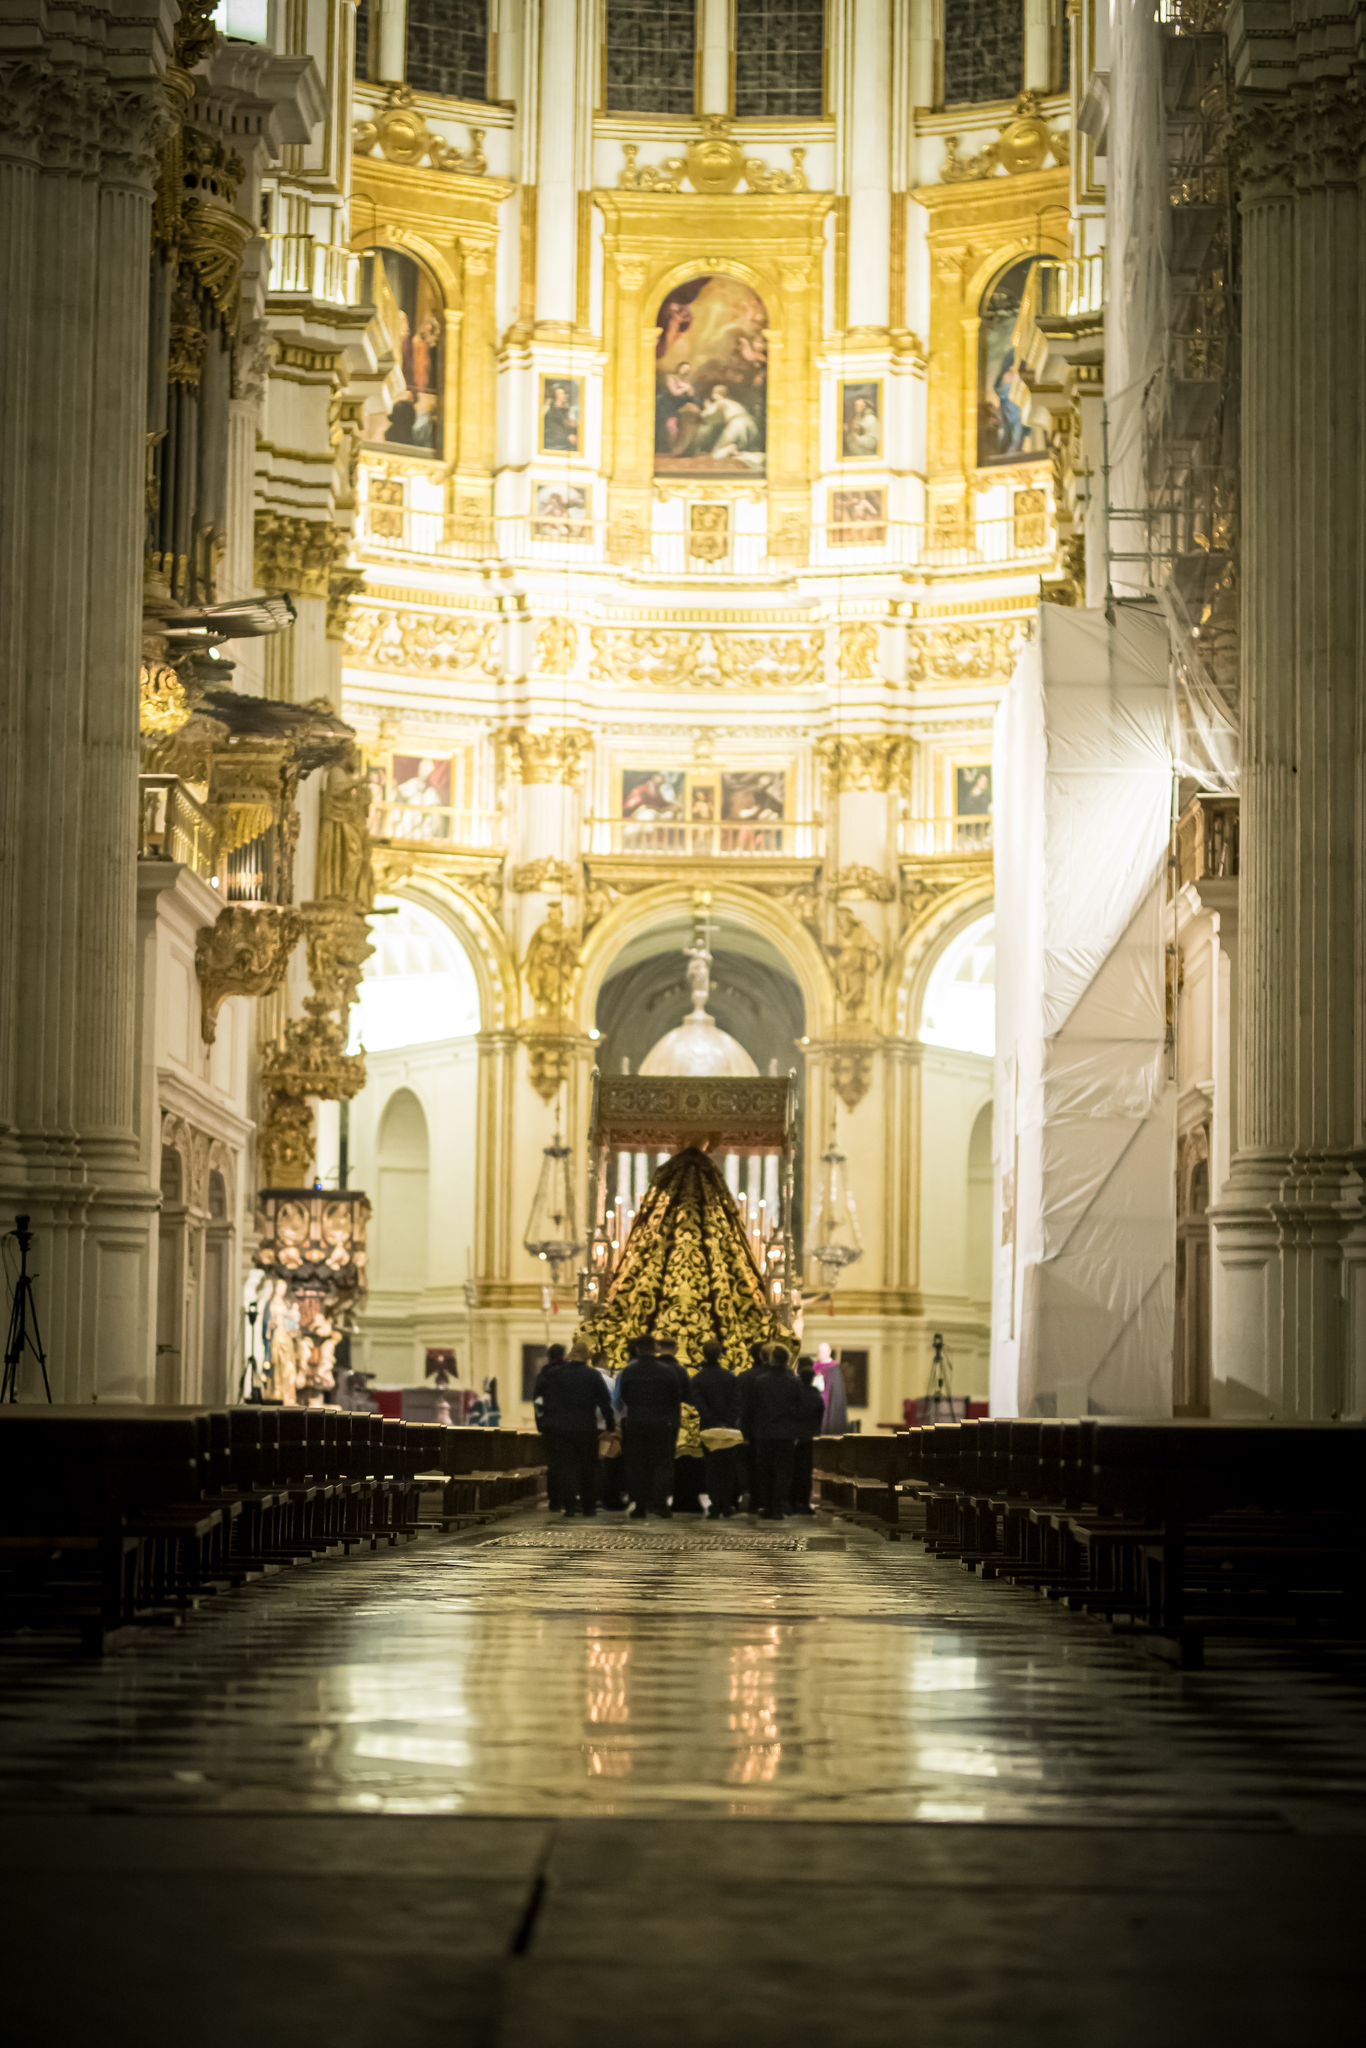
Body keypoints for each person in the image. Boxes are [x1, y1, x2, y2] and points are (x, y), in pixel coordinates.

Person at [540, 1344, 616, 1517]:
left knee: (567, 1467)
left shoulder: (556, 1374)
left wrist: (548, 1424)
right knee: (588, 1467)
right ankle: (588, 1506)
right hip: (586, 1427)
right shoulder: (593, 1375)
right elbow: (605, 1402)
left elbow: (546, 1400)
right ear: (587, 1357)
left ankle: (569, 1506)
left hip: (562, 1428)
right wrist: (610, 1426)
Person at [617, 1334, 684, 1520]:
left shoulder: (629, 1371)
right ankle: (660, 1504)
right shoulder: (667, 1371)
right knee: (662, 1463)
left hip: (636, 1421)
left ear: (637, 1349)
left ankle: (640, 1505)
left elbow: (625, 1396)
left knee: (637, 1464)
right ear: (655, 1348)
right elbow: (675, 1397)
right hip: (661, 1421)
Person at [742, 1344, 804, 1520]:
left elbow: (751, 1409)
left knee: (765, 1471)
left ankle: (767, 1505)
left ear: (771, 1359)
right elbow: (800, 1408)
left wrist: (746, 1431)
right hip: (786, 1433)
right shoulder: (794, 1382)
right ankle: (778, 1505)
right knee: (783, 1471)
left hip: (764, 1432)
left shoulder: (761, 1381)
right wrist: (797, 1430)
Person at [692, 1339, 743, 1518]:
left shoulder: (698, 1378)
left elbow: (698, 1403)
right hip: (728, 1427)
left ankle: (715, 1505)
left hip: (708, 1427)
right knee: (728, 1468)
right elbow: (737, 1401)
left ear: (704, 1354)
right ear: (721, 1355)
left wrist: (711, 1420)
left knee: (712, 1468)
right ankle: (726, 1505)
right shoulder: (730, 1377)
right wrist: (727, 1421)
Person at [533, 1344, 569, 1509]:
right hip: (567, 1424)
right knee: (567, 1462)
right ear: (563, 1355)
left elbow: (538, 1402)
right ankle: (566, 1499)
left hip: (549, 1424)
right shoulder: (569, 1372)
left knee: (553, 1463)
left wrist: (540, 1424)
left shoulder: (544, 1375)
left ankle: (554, 1500)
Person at [790, 1356, 826, 1515]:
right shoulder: (816, 1395)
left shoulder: (795, 1393)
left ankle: (791, 1501)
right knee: (805, 1472)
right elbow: (820, 1415)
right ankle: (804, 1502)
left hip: (794, 1436)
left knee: (792, 1470)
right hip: (809, 1438)